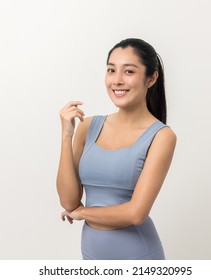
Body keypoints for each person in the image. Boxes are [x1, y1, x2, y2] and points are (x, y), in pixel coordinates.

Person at [56, 38, 176, 260]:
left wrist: (82, 212)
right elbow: (69, 201)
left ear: (151, 78)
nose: (117, 80)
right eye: (111, 70)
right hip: (92, 254)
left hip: (138, 256)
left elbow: (135, 213)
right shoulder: (87, 127)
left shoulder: (161, 136)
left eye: (129, 71)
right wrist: (66, 135)